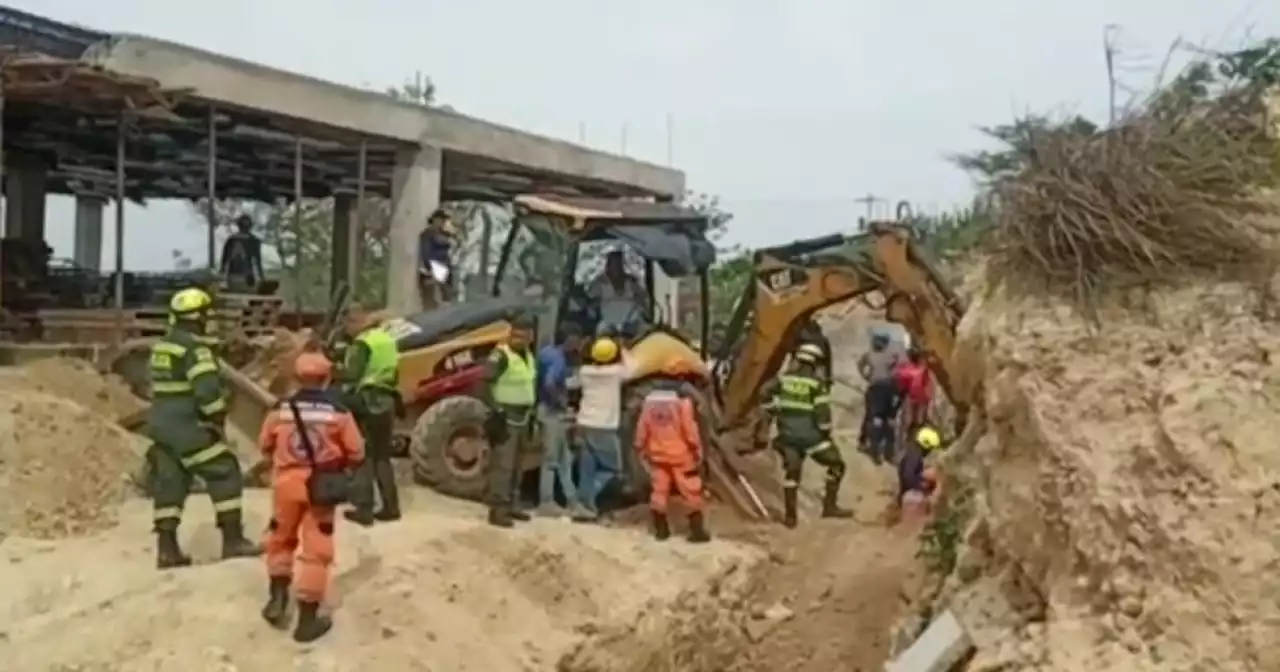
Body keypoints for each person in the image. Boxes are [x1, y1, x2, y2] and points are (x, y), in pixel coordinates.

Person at [146, 287, 261, 568]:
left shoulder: (163, 346)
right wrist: (217, 416)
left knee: (171, 480)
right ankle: (233, 540)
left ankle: (167, 548)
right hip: (188, 425)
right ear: (198, 318)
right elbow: (207, 392)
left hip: (161, 424)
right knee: (224, 470)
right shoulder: (196, 351)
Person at [258, 352, 364, 643]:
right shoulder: (338, 413)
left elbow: (264, 443)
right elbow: (357, 452)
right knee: (317, 550)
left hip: (285, 484)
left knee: (280, 539)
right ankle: (307, 621)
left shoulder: (280, 409)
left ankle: (277, 598)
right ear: (327, 378)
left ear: (296, 378)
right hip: (321, 487)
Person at [762, 343, 853, 528]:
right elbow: (823, 416)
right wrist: (826, 432)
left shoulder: (783, 380)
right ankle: (829, 507)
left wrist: (775, 409)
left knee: (792, 474)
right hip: (812, 438)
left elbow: (763, 394)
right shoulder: (816, 384)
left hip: (787, 437)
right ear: (815, 363)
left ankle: (790, 518)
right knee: (837, 464)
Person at [339, 308, 402, 526]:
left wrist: (337, 369)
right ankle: (391, 507)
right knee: (382, 457)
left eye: (348, 325)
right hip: (388, 400)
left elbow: (352, 374)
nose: (347, 330)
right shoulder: (387, 340)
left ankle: (364, 509)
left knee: (363, 454)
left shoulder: (362, 343)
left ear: (355, 322)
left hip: (368, 401)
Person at [634, 382, 710, 543]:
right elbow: (690, 431)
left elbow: (642, 430)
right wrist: (697, 450)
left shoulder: (648, 405)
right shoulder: (682, 404)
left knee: (659, 491)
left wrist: (640, 447)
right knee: (691, 490)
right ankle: (697, 531)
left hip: (657, 455)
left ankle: (661, 530)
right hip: (681, 456)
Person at [482, 314, 539, 528]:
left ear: (530, 336)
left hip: (524, 416)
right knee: (503, 465)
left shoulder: (528, 356)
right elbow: (486, 382)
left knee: (518, 464)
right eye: (515, 334)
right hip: (505, 416)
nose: (518, 338)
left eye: (523, 335)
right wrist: (495, 410)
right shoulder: (501, 355)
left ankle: (512, 505)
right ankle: (498, 510)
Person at [574, 335, 631, 522]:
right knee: (614, 468)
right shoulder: (616, 373)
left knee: (587, 468)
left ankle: (584, 507)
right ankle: (587, 499)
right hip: (604, 426)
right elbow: (633, 369)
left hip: (583, 423)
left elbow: (573, 383)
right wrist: (623, 349)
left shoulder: (585, 372)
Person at [535, 324, 587, 518]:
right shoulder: (558, 359)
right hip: (551, 412)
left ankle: (572, 501)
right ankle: (546, 502)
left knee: (564, 458)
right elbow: (549, 383)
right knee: (551, 458)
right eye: (576, 342)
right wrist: (562, 402)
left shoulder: (547, 352)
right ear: (569, 340)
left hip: (546, 410)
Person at [858, 332, 901, 464]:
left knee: (874, 419)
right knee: (884, 421)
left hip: (876, 389)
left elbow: (860, 365)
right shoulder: (890, 356)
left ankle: (871, 446)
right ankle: (884, 452)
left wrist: (867, 377)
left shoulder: (869, 354)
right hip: (885, 390)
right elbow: (896, 366)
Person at [586, 249, 649, 336]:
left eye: (618, 263)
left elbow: (644, 297)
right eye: (612, 262)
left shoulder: (631, 281)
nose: (615, 266)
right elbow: (589, 299)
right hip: (608, 323)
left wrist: (640, 299)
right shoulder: (600, 282)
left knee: (644, 332)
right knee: (600, 333)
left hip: (631, 322)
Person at [896, 425, 942, 518]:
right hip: (909, 492)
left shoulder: (913, 450)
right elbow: (908, 477)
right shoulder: (914, 456)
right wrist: (921, 487)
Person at [418, 209, 456, 309]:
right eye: (441, 220)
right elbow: (425, 252)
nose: (443, 223)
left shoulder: (444, 234)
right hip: (436, 266)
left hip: (445, 265)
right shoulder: (428, 234)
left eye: (444, 220)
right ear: (435, 220)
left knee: (447, 294)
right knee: (440, 294)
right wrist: (429, 268)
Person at [219, 215, 266, 293]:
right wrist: (262, 279)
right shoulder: (254, 240)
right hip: (248, 279)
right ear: (250, 226)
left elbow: (224, 261)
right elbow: (258, 262)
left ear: (238, 226)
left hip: (232, 279)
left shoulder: (231, 240)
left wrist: (222, 278)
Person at [894, 346, 934, 432]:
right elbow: (927, 381)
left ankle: (912, 431)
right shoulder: (923, 368)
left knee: (911, 416)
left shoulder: (905, 370)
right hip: (923, 396)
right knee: (921, 416)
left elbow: (902, 384)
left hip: (912, 396)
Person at [795, 317, 833, 384]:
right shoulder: (823, 339)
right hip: (816, 356)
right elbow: (828, 360)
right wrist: (828, 377)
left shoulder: (802, 333)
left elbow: (793, 346)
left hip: (801, 352)